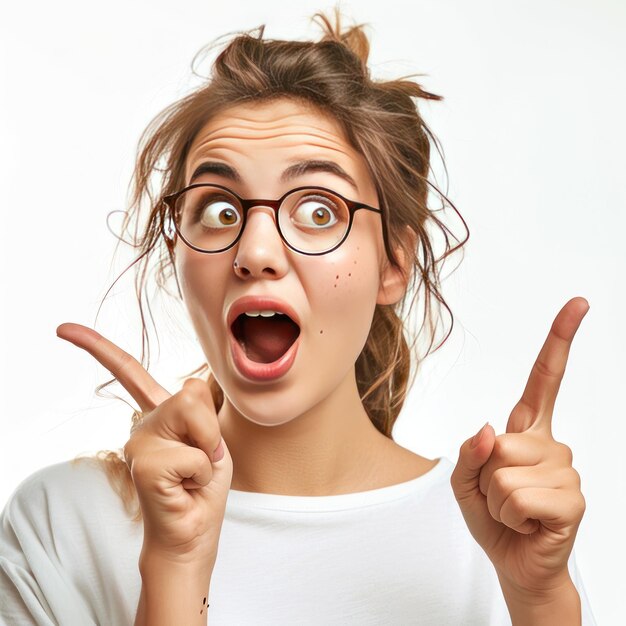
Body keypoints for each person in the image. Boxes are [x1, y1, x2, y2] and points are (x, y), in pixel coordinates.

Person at [0, 11, 596, 625]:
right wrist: (174, 569)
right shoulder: (64, 526)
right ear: (176, 252)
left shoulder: (500, 533)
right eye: (220, 210)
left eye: (317, 211)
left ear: (394, 263)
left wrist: (543, 600)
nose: (255, 252)